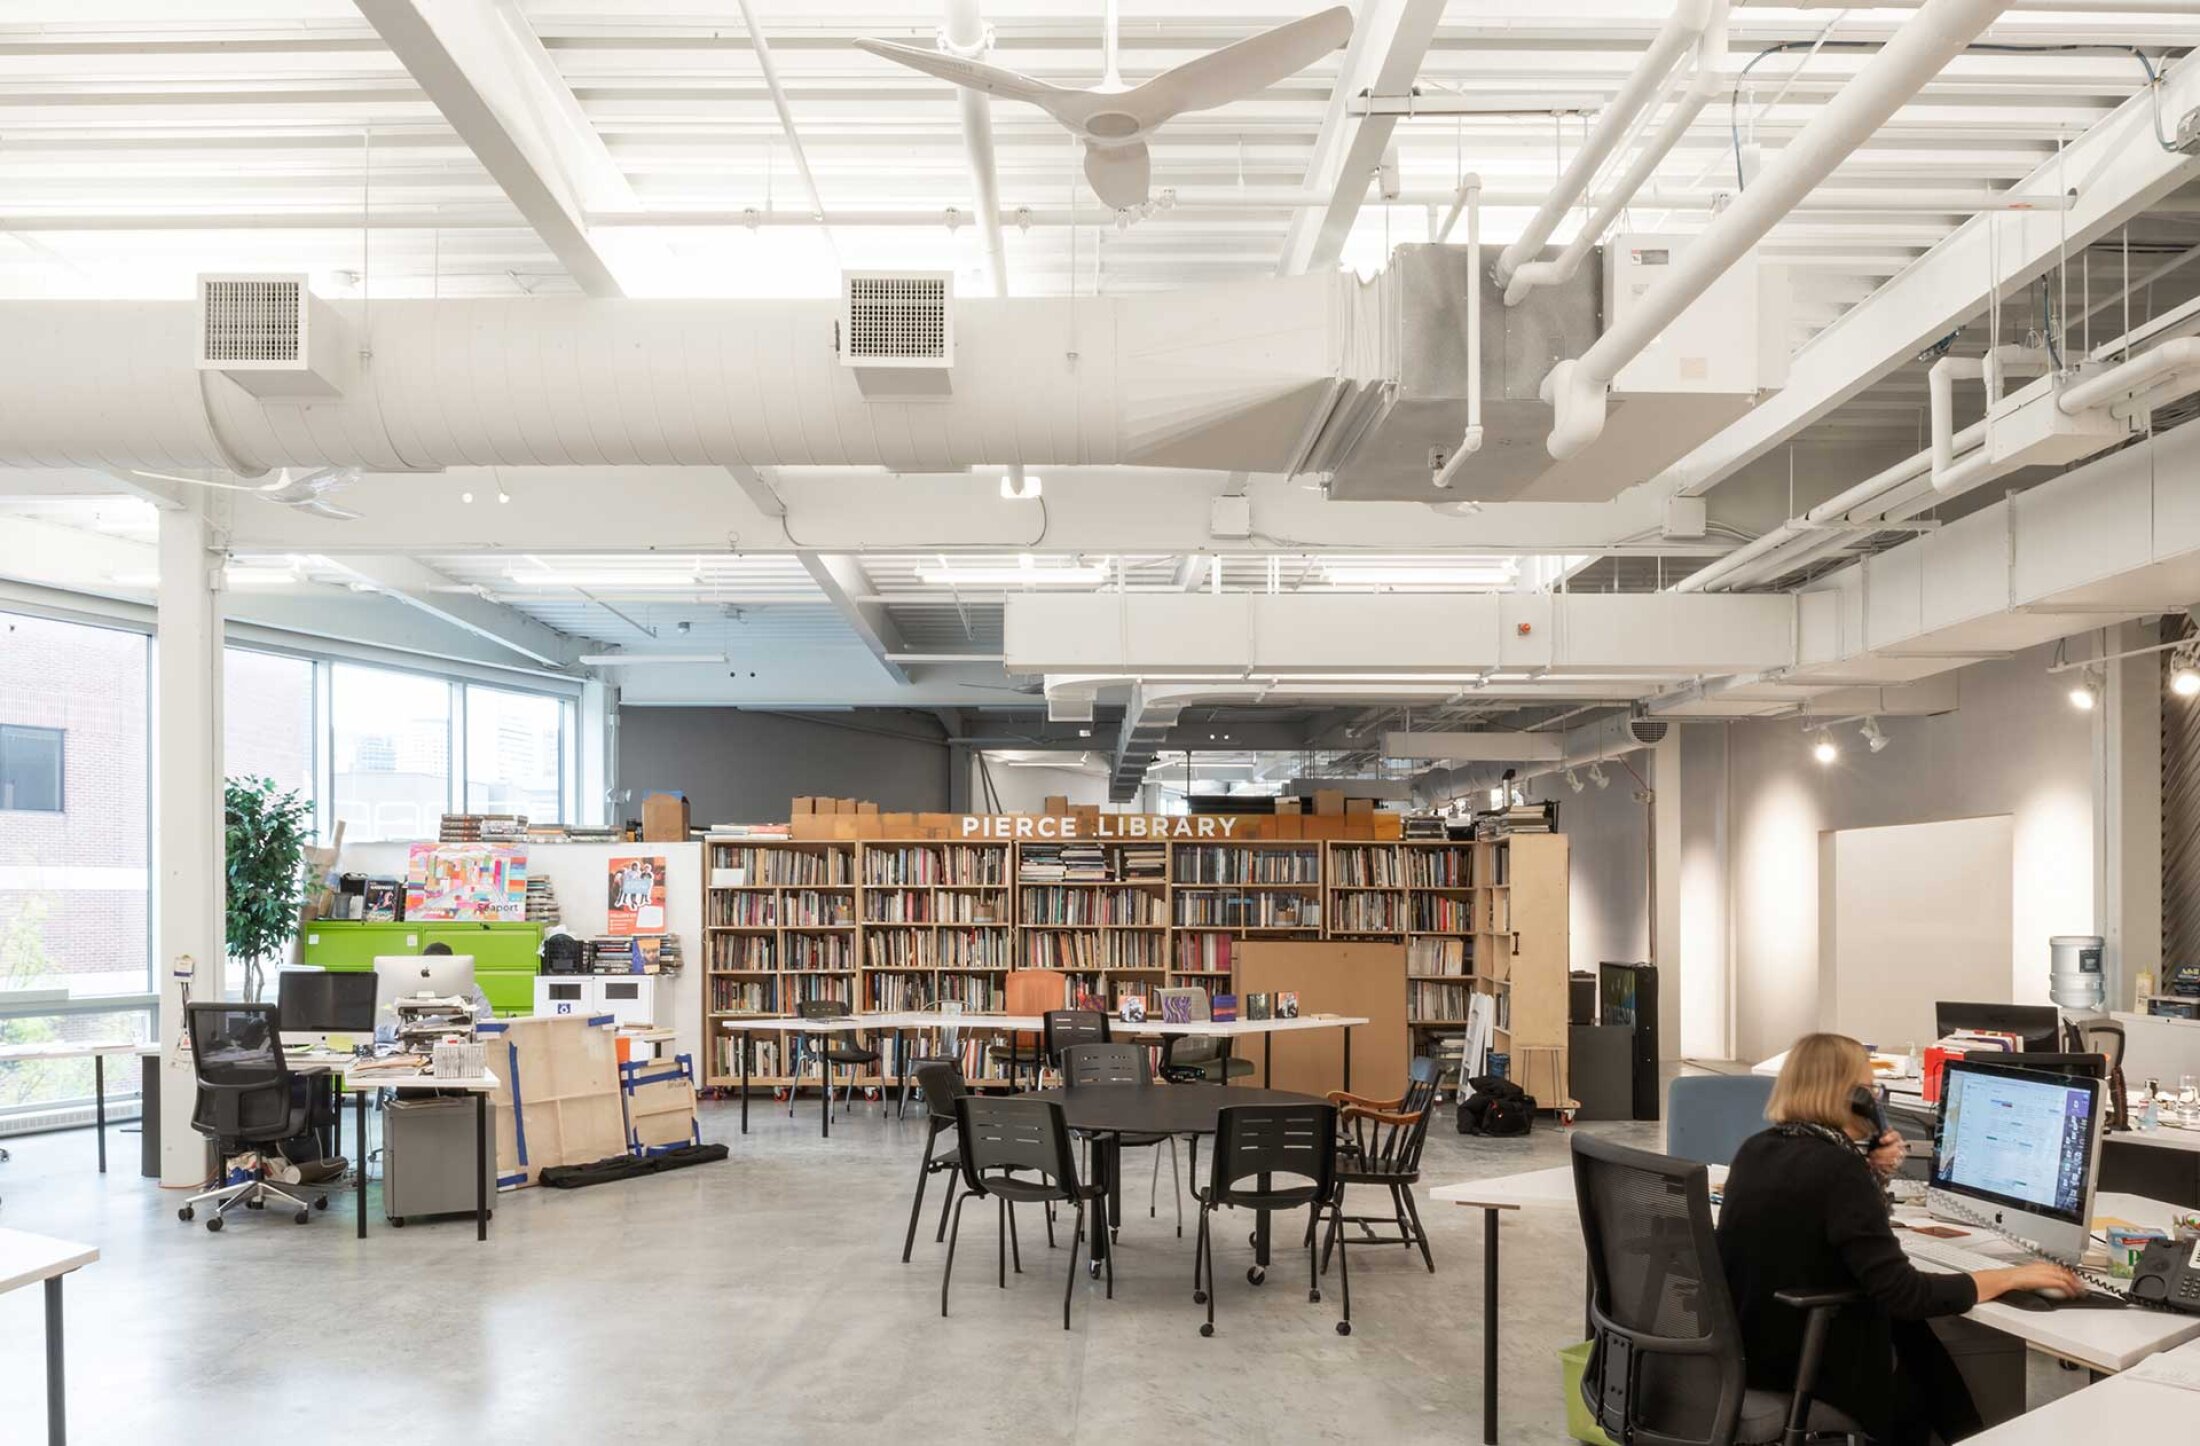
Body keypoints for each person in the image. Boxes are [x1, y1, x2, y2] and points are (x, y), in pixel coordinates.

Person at [1716, 1033, 2082, 1445]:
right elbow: (1905, 1293)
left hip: (1752, 1349)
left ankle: (1972, 1435)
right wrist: (2009, 1277)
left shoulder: (1757, 1149)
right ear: (1852, 1098)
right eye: (1871, 1090)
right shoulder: (1837, 1169)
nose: (1877, 1099)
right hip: (1806, 1364)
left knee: (1916, 1339)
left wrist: (1868, 1167)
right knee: (1915, 1345)